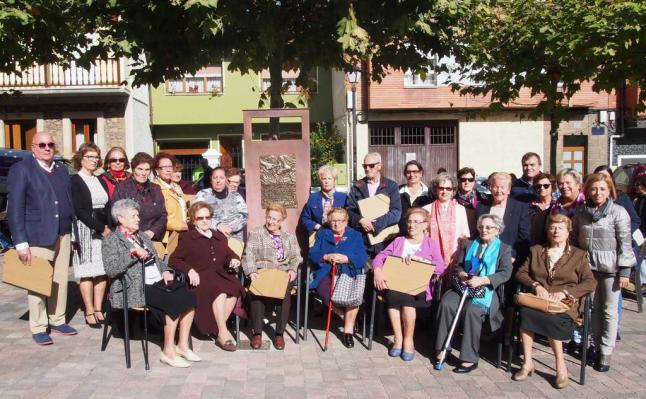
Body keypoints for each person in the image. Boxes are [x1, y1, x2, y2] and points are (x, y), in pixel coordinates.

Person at [103, 199, 198, 368]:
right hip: (135, 287)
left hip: (157, 281)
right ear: (121, 219)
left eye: (137, 215)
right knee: (173, 302)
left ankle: (182, 346)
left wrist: (165, 270)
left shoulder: (142, 236)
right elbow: (111, 270)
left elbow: (157, 260)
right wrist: (132, 255)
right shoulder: (112, 240)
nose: (138, 219)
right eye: (134, 216)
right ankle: (168, 352)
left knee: (189, 298)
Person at [7, 131, 78, 345]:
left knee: (60, 282)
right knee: (38, 282)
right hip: (37, 235)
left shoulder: (62, 171)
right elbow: (15, 208)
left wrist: (72, 234)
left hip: (63, 234)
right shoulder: (21, 170)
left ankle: (57, 319)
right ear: (33, 148)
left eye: (50, 145)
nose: (47, 148)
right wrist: (20, 242)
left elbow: (68, 201)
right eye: (42, 145)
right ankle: (38, 326)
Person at [514, 214, 596, 388]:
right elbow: (521, 273)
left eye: (560, 228)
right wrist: (536, 285)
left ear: (568, 232)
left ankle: (561, 367)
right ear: (547, 231)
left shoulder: (579, 255)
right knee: (525, 313)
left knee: (552, 319)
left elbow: (590, 282)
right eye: (552, 227)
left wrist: (566, 292)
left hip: (564, 305)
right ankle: (527, 363)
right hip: (539, 301)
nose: (556, 231)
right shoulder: (536, 251)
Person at [572, 173, 635, 372]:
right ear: (587, 190)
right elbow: (574, 238)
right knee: (591, 310)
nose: (597, 193)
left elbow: (625, 243)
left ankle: (605, 352)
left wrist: (624, 271)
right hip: (588, 269)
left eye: (602, 189)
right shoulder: (581, 212)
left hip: (611, 270)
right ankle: (594, 345)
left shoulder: (618, 212)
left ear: (609, 191)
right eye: (593, 189)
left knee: (609, 312)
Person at [434, 214, 513, 373]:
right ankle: (443, 348)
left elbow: (505, 273)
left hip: (486, 290)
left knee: (472, 310)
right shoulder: (469, 244)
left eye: (489, 227)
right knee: (447, 303)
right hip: (463, 287)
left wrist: (483, 280)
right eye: (481, 227)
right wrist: (463, 274)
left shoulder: (504, 249)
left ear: (497, 230)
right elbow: (458, 266)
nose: (484, 230)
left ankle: (469, 358)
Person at [169, 202, 244, 351]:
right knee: (221, 289)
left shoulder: (219, 237)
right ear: (193, 220)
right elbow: (174, 260)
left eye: (207, 217)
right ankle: (223, 333)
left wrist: (233, 259)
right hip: (200, 278)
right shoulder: (188, 238)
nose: (204, 220)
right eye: (200, 218)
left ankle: (216, 328)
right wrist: (189, 270)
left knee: (235, 287)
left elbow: (228, 254)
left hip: (219, 274)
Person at [372, 208, 445, 361]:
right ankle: (398, 339)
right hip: (397, 283)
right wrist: (377, 270)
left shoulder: (431, 244)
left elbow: (440, 267)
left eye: (416, 222)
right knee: (393, 295)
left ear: (425, 225)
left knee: (406, 302)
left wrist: (423, 261)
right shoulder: (399, 241)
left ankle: (408, 340)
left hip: (418, 287)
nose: (412, 225)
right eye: (409, 221)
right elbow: (379, 257)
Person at [242, 203, 302, 350]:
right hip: (262, 271)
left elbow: (296, 257)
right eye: (269, 217)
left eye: (275, 219)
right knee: (257, 293)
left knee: (284, 294)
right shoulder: (256, 233)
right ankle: (257, 332)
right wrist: (251, 271)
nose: (271, 222)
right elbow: (248, 254)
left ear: (281, 221)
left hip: (282, 273)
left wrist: (293, 270)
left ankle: (279, 333)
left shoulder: (289, 237)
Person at [308, 208, 368, 348]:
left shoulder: (355, 235)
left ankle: (348, 332)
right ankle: (349, 320)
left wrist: (347, 258)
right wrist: (325, 256)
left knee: (353, 297)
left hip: (349, 272)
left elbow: (362, 257)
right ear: (329, 222)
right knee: (326, 294)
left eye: (340, 220)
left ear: (346, 221)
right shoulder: (323, 234)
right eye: (333, 220)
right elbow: (313, 253)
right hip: (327, 271)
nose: (336, 224)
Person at [70, 143, 111, 328]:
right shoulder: (75, 181)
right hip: (86, 231)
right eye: (90, 157)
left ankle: (98, 308)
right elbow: (80, 211)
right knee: (86, 273)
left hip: (103, 229)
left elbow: (107, 206)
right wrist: (101, 228)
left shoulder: (100, 180)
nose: (94, 160)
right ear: (81, 159)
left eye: (96, 157)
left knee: (101, 272)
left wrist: (108, 227)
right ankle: (88, 310)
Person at [346, 152, 402, 257]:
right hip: (363, 241)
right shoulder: (357, 186)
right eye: (364, 166)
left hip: (385, 241)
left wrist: (375, 225)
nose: (367, 169)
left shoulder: (391, 186)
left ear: (379, 166)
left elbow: (396, 213)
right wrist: (360, 220)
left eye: (371, 166)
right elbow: (349, 211)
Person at [476, 172, 530, 266]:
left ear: (509, 190)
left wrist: (513, 255)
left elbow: (524, 237)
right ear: (490, 188)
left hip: (510, 261)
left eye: (502, 187)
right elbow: (477, 232)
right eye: (495, 186)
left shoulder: (520, 208)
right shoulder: (481, 207)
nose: (498, 190)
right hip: (484, 259)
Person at [112, 152, 167, 241]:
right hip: (129, 238)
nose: (143, 173)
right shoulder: (122, 188)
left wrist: (152, 231)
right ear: (133, 169)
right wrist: (132, 235)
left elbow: (163, 215)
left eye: (147, 169)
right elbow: (116, 216)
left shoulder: (156, 189)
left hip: (153, 239)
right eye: (140, 169)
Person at [423, 172, 471, 269]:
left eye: (448, 188)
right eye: (441, 188)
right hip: (432, 257)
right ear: (436, 189)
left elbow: (465, 234)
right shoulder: (426, 209)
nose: (444, 191)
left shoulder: (460, 209)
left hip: (455, 257)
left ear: (453, 190)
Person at [193, 166, 248, 240]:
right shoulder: (203, 194)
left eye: (221, 178)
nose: (218, 180)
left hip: (234, 240)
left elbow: (244, 215)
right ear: (211, 179)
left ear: (226, 180)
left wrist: (229, 228)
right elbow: (195, 214)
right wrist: (217, 225)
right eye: (215, 178)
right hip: (211, 239)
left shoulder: (236, 196)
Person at [300, 165, 347, 236]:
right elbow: (304, 219)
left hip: (340, 236)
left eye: (329, 178)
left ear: (334, 181)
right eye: (324, 179)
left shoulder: (344, 198)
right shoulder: (313, 198)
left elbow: (350, 219)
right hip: (319, 235)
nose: (326, 181)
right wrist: (318, 227)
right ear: (320, 181)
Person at [153, 153, 189, 244]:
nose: (168, 169)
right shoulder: (154, 188)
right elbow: (156, 217)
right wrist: (179, 226)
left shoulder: (176, 186)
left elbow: (182, 209)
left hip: (183, 234)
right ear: (157, 170)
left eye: (170, 166)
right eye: (164, 167)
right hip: (166, 238)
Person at [398, 160, 432, 233]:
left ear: (421, 173)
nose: (411, 175)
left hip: (421, 236)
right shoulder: (397, 192)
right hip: (400, 236)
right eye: (408, 172)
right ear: (405, 174)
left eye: (415, 171)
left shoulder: (430, 194)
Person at [528, 172, 557, 245]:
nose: (542, 188)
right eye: (538, 186)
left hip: (552, 245)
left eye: (546, 186)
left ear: (552, 187)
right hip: (532, 246)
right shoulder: (529, 206)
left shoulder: (557, 206)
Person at [455, 166, 482, 233]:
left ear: (474, 182)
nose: (467, 182)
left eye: (470, 180)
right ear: (458, 181)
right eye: (463, 180)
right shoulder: (452, 200)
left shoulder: (482, 199)